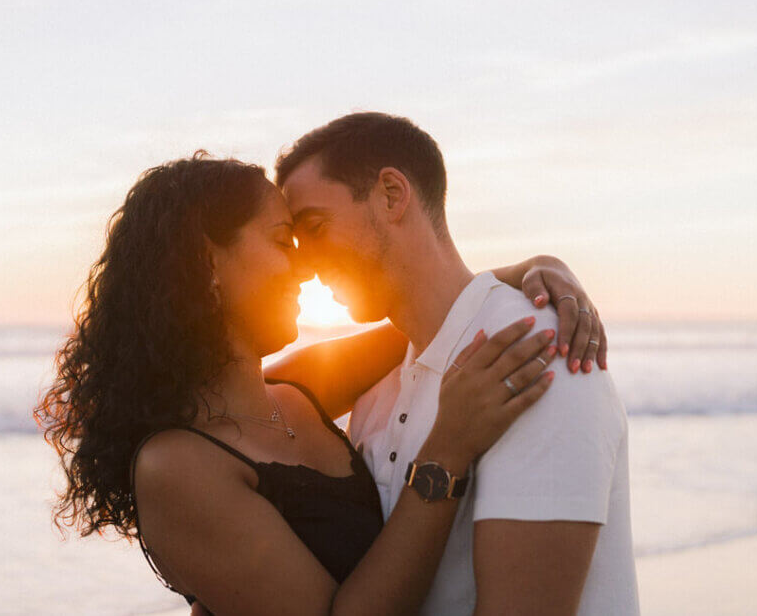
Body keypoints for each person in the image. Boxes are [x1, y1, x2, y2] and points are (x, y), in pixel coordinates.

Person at [34, 153, 608, 615]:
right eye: (284, 242)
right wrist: (446, 453)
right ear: (208, 263)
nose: (306, 268)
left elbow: (432, 315)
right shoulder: (177, 466)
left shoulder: (296, 389)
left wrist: (532, 269)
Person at [276, 112, 639, 615]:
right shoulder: (377, 395)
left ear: (391, 194)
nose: (307, 264)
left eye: (315, 227)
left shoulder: (533, 353)